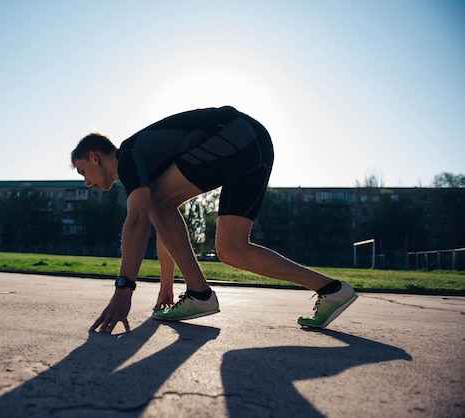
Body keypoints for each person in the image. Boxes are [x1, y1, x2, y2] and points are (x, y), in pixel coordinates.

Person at [71, 106, 357, 334]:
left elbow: (137, 222)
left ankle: (199, 293)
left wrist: (124, 289)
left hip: (235, 133)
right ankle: (333, 290)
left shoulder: (130, 156)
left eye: (83, 171)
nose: (86, 183)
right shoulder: (142, 165)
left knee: (157, 202)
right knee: (232, 249)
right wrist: (166, 286)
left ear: (94, 157)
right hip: (252, 141)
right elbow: (164, 226)